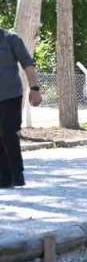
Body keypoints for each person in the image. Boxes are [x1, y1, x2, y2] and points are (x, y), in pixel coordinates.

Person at [1, 28, 41, 189]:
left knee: (8, 133)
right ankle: (4, 176)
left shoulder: (11, 39)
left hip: (10, 95)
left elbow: (27, 64)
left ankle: (17, 173)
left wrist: (35, 88)